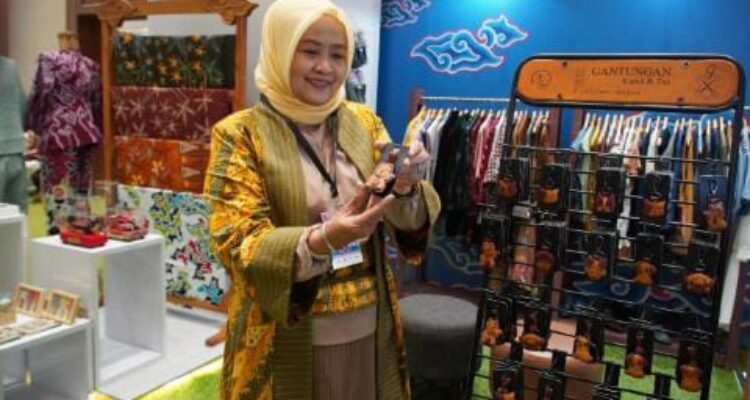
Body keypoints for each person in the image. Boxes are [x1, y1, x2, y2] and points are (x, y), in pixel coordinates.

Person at [204, 1, 440, 399]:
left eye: (338, 55)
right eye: (310, 51)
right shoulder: (239, 135)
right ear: (279, 49)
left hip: (370, 326)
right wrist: (324, 238)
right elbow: (236, 240)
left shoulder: (364, 123)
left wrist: (405, 186)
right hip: (283, 336)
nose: (325, 68)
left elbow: (403, 218)